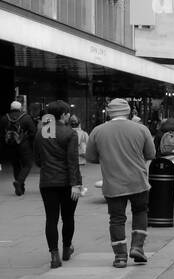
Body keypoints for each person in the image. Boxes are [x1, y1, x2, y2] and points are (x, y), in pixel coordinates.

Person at [85, 98, 155, 268]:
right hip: (138, 180)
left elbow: (91, 157)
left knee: (116, 219)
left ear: (109, 113)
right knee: (140, 212)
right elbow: (151, 153)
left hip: (113, 183)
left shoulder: (97, 131)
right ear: (128, 111)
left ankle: (120, 257)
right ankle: (137, 247)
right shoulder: (141, 128)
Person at [33, 101, 83, 269]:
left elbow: (38, 159)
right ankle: (67, 249)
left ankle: (54, 256)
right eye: (68, 113)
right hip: (67, 183)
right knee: (68, 217)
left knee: (51, 219)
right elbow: (72, 162)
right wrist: (76, 184)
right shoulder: (70, 133)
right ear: (62, 115)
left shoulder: (42, 132)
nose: (69, 115)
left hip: (47, 182)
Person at [1, 100, 37, 195]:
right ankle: (19, 182)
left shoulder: (4, 118)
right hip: (24, 145)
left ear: (11, 108)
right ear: (20, 108)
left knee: (16, 165)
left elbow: (1, 133)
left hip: (10, 146)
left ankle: (20, 189)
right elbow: (33, 132)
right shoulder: (26, 118)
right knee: (27, 164)